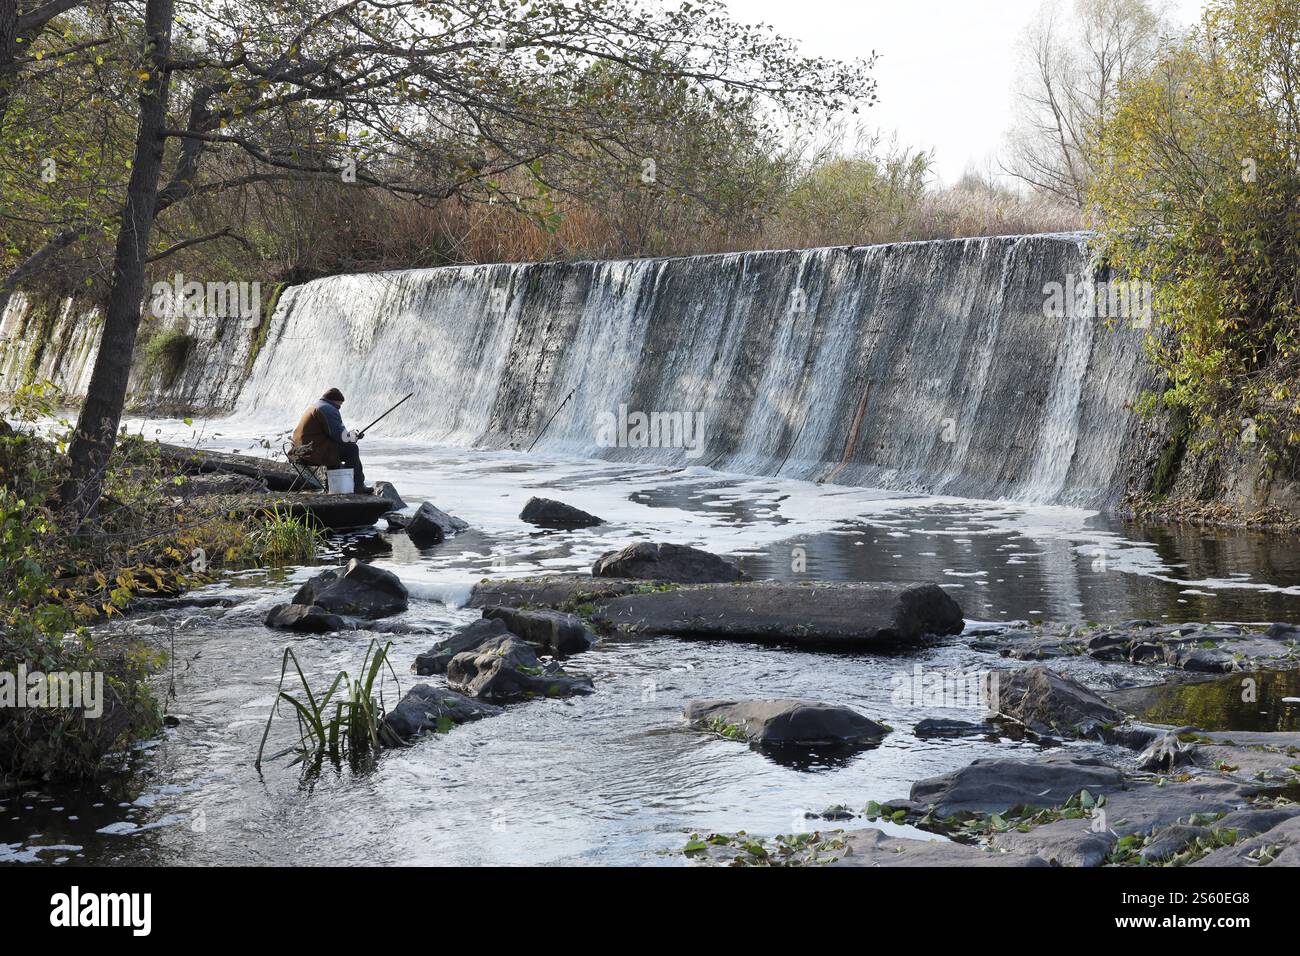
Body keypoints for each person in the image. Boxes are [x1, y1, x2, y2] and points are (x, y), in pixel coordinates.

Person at [291, 387, 371, 493]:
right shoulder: (328, 409)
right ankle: (357, 486)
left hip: (298, 451)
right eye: (340, 404)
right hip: (311, 453)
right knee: (352, 449)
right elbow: (340, 436)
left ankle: (330, 486)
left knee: (333, 448)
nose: (339, 407)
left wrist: (351, 436)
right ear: (335, 400)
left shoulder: (316, 406)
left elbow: (334, 434)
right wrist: (354, 437)